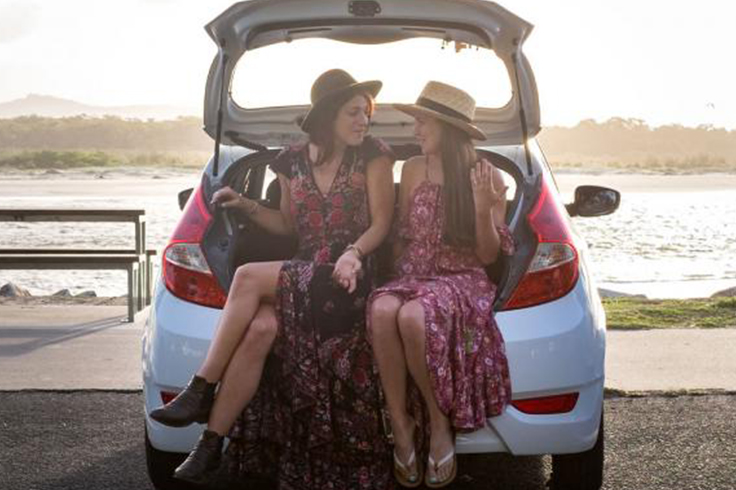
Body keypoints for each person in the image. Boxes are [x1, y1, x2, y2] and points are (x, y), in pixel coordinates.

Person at [149, 69, 396, 489]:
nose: (363, 121)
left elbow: (382, 224)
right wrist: (243, 203)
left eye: (366, 114)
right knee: (260, 328)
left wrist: (354, 254)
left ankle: (203, 387)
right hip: (303, 274)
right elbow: (287, 226)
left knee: (246, 276)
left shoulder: (374, 155)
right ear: (329, 114)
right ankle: (210, 444)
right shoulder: (290, 160)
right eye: (354, 112)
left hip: (349, 277)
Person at [367, 81, 515, 488]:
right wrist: (393, 276)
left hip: (461, 277)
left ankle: (437, 422)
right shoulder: (413, 168)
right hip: (414, 272)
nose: (415, 130)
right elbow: (400, 235)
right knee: (382, 309)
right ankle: (401, 423)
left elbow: (488, 256)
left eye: (422, 122)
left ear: (448, 128)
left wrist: (484, 208)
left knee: (414, 316)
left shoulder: (489, 175)